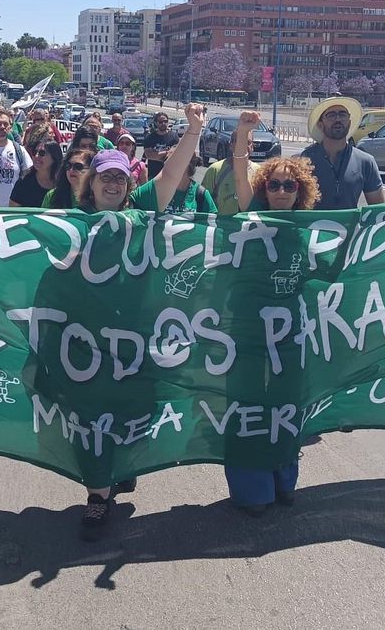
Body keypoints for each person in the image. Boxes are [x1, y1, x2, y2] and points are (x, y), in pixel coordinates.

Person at [69, 104, 205, 540]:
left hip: (135, 336)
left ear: (129, 185)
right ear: (91, 183)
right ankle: (96, 495)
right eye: (104, 176)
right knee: (90, 415)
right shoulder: (72, 220)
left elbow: (172, 174)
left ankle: (120, 466)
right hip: (86, 339)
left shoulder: (143, 207)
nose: (111, 183)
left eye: (119, 177)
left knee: (134, 411)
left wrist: (194, 130)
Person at [222, 111, 319, 515]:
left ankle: (284, 478)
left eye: (288, 184)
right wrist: (244, 133)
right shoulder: (251, 215)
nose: (281, 190)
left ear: (300, 190)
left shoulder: (311, 227)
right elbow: (241, 171)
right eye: (274, 184)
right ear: (265, 189)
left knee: (285, 405)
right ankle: (253, 487)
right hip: (246, 329)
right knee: (247, 404)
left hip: (291, 334)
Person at [299, 97, 385, 210]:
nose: (338, 119)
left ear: (349, 123)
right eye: (331, 115)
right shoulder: (303, 161)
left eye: (343, 114)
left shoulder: (366, 162)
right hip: (313, 227)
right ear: (320, 124)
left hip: (349, 227)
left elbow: (379, 210)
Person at [128, 146, 215, 215]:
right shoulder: (157, 189)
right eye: (168, 162)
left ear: (189, 166)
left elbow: (214, 224)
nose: (171, 167)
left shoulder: (201, 194)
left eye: (177, 162)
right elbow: (132, 205)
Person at [200, 126, 260, 215]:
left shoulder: (259, 171)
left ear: (252, 147)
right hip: (222, 226)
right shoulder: (215, 170)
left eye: (247, 142)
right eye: (239, 141)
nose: (243, 145)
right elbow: (203, 202)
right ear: (231, 144)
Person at [0, 108, 33, 207]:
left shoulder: (19, 150)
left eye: (5, 124)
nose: (2, 127)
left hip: (13, 211)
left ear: (10, 127)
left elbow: (28, 177)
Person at [12, 139, 63, 207]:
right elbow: (13, 212)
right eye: (34, 152)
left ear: (54, 157)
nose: (36, 156)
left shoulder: (63, 183)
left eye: (42, 153)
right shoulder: (24, 182)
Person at [142, 111, 179, 180]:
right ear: (156, 123)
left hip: (170, 174)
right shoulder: (149, 138)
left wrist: (158, 155)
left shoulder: (174, 137)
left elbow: (176, 154)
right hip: (153, 175)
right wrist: (167, 153)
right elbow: (150, 155)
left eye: (165, 121)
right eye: (160, 122)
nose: (163, 123)